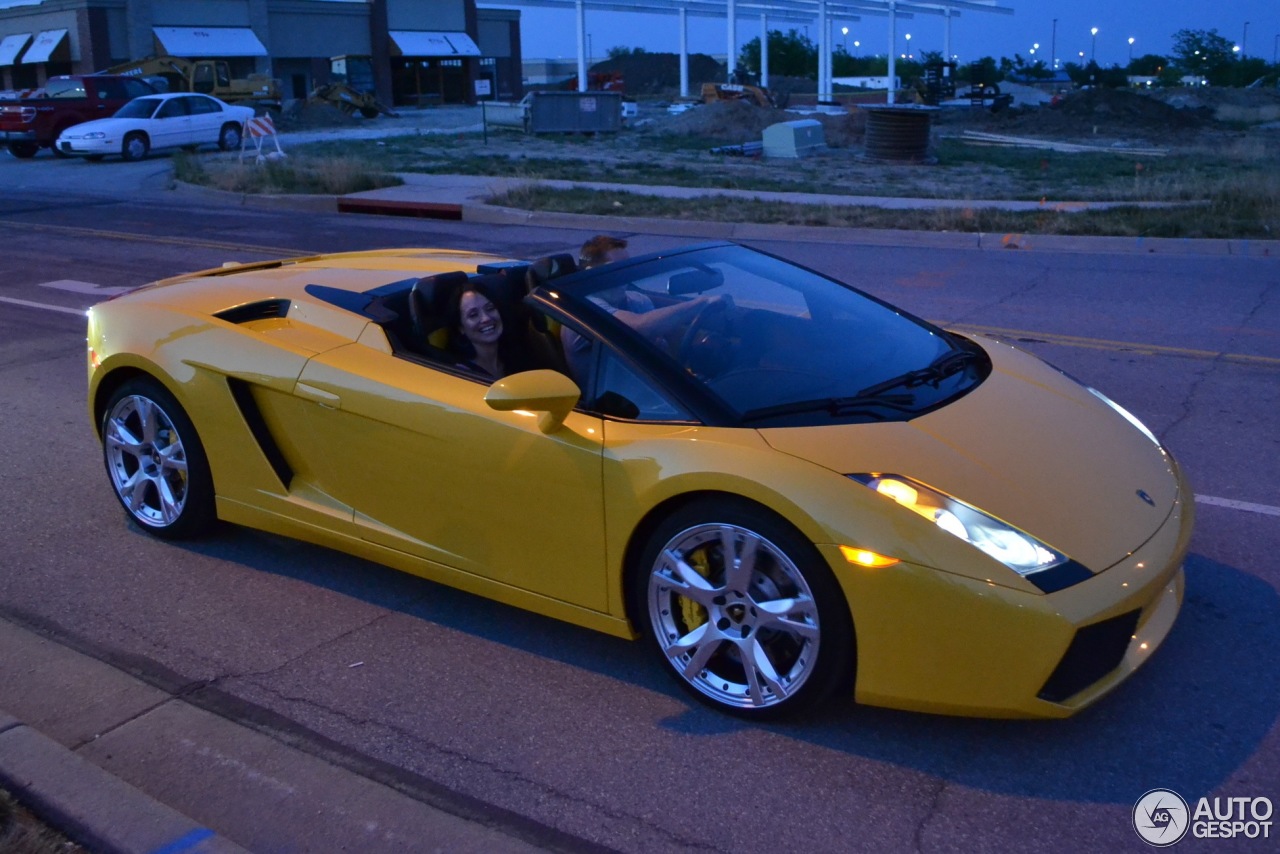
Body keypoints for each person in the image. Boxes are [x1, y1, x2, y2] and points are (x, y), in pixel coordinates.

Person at [447, 282, 536, 379]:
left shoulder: (517, 358)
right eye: (473, 315)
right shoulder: (462, 373)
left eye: (490, 308)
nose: (486, 318)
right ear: (461, 328)